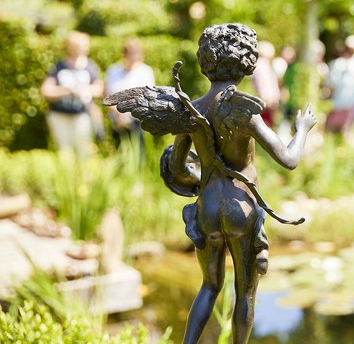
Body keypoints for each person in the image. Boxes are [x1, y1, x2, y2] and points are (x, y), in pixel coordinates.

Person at [105, 23, 317, 344]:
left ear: (205, 62)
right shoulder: (245, 111)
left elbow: (176, 167)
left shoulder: (191, 109)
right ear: (247, 61)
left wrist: (195, 177)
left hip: (206, 208)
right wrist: (302, 129)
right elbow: (288, 159)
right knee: (244, 292)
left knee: (209, 286)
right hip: (240, 209)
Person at [41, 31, 103, 158]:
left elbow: (99, 89)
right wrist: (66, 91)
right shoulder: (59, 66)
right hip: (59, 114)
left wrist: (84, 90)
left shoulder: (90, 66)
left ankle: (84, 177)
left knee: (83, 149)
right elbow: (46, 90)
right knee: (64, 151)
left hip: (82, 114)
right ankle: (67, 177)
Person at [104, 39, 156, 148]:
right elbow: (107, 96)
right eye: (131, 53)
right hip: (117, 120)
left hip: (137, 120)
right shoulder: (113, 71)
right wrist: (119, 114)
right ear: (125, 54)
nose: (134, 57)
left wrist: (127, 113)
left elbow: (148, 98)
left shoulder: (145, 72)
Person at [325, 41, 354, 134]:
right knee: (335, 122)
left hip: (350, 98)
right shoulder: (337, 63)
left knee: (347, 123)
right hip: (340, 97)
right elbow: (332, 82)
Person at [251, 41, 281, 128]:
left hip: (266, 100)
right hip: (267, 101)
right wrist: (267, 99)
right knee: (266, 126)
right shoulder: (262, 65)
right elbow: (262, 83)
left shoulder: (261, 64)